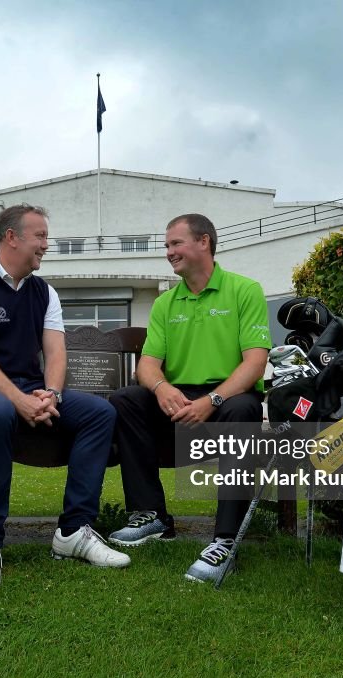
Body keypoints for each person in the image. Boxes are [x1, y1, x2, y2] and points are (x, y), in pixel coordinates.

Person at [0, 203, 130, 588]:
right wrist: (18, 399)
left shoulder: (45, 292)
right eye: (40, 236)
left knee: (100, 413)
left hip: (28, 391)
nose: (47, 244)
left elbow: (56, 352)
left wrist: (53, 395)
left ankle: (73, 532)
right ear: (12, 237)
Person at [107, 213, 270, 582]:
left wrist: (211, 400)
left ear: (204, 243)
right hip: (178, 401)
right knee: (127, 400)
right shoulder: (166, 303)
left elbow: (255, 363)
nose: (169, 252)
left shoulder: (245, 290)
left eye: (175, 243)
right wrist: (163, 389)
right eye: (167, 246)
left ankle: (224, 542)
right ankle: (153, 517)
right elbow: (147, 366)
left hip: (227, 398)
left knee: (244, 407)